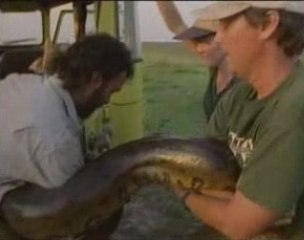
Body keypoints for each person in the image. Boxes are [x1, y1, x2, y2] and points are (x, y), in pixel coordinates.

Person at [174, 1, 304, 240]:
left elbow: (239, 225)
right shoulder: (240, 95)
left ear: (267, 24)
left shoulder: (301, 104)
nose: (218, 39)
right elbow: (203, 167)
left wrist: (180, 189)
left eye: (226, 24)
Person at [0, 33, 134, 239]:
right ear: (96, 79)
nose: (107, 101)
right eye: (112, 91)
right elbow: (75, 214)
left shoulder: (25, 82)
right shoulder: (59, 146)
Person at [156, 1, 236, 121]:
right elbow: (177, 26)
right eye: (197, 42)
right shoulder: (215, 67)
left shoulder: (246, 82)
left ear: (223, 37)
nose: (198, 49)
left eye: (205, 41)